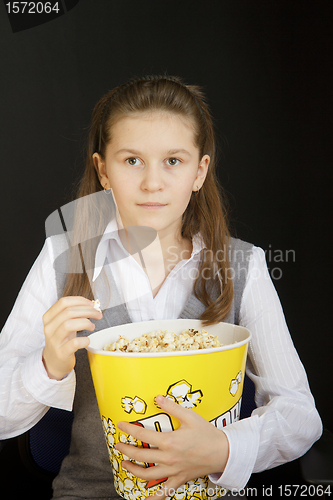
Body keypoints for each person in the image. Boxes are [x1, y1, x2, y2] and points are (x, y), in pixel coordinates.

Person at [0, 75, 322, 500]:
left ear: (199, 171)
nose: (153, 183)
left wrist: (223, 449)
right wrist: (48, 364)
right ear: (103, 171)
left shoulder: (244, 264)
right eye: (132, 160)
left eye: (173, 161)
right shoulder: (63, 256)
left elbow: (301, 415)